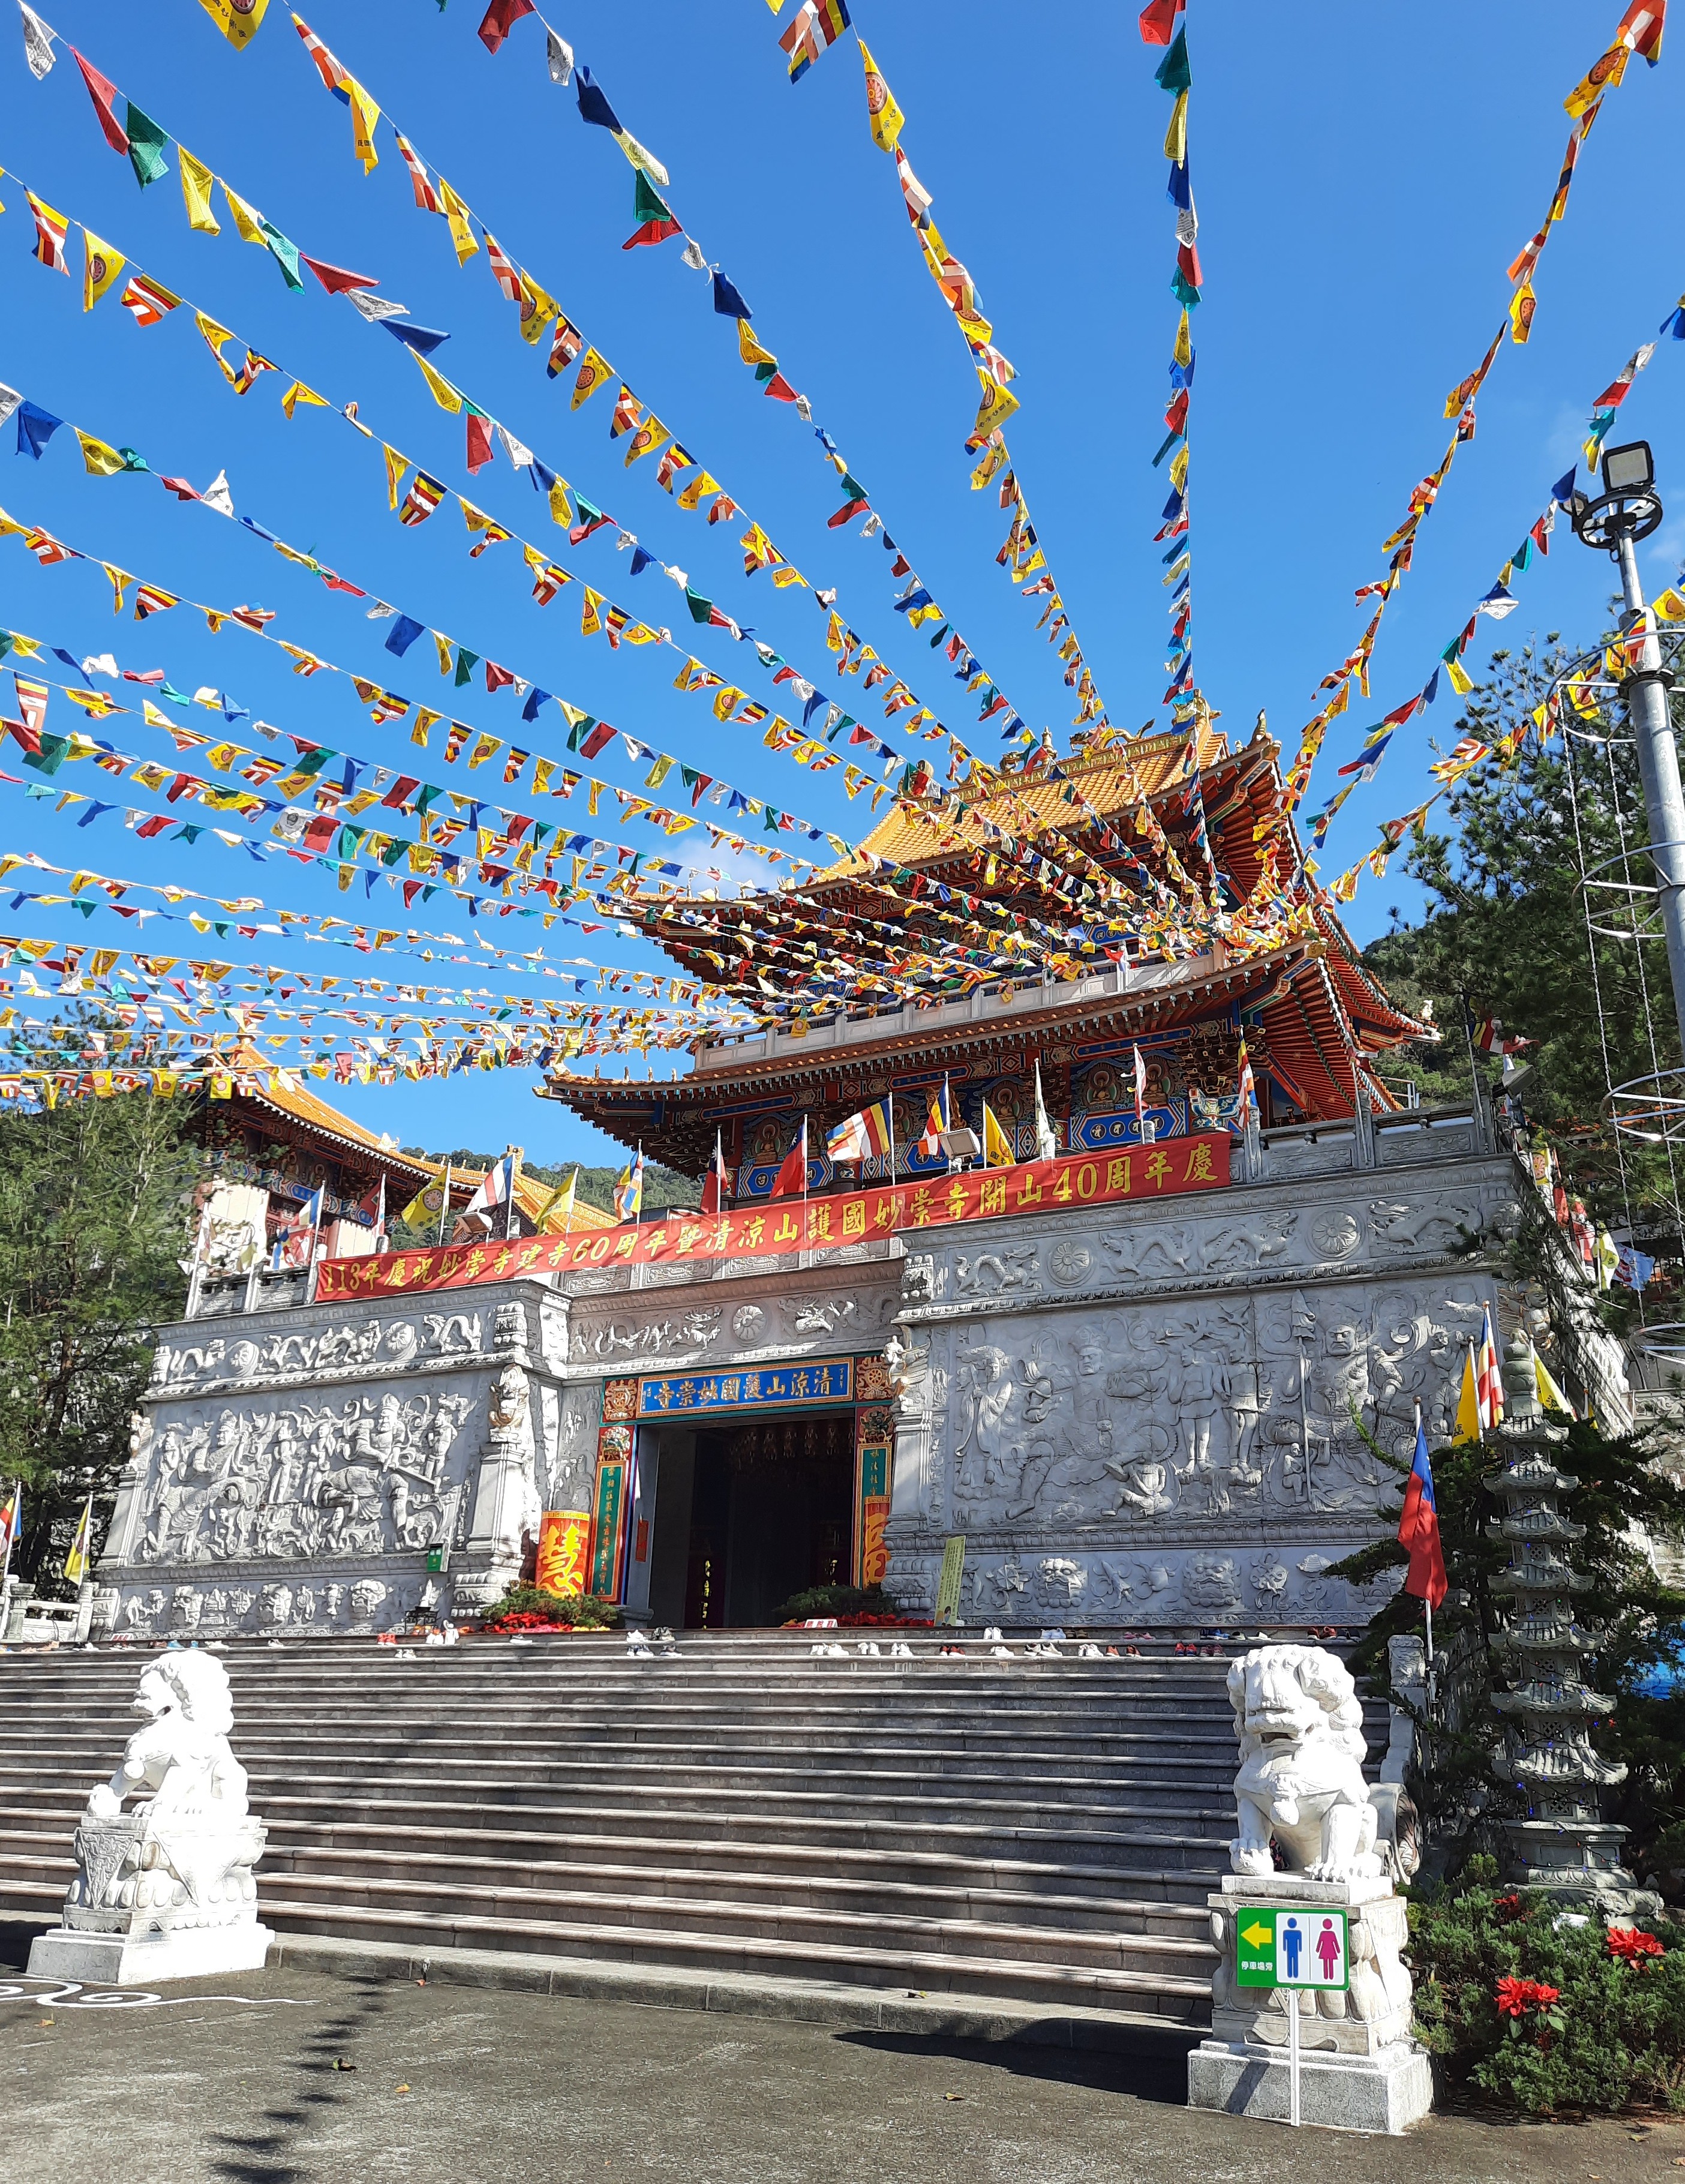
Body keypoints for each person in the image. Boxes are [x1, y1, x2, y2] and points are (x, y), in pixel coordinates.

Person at [1316, 1916, 1343, 1982]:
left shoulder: (1324, 1933)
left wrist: (1318, 1950)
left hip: (1325, 1950)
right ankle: (1330, 1976)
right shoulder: (1331, 1933)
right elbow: (1335, 1943)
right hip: (1330, 1951)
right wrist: (1338, 1950)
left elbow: (1320, 1943)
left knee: (1326, 1963)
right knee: (1330, 1962)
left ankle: (1327, 1976)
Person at [1281, 1916, 1302, 1980]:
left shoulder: (1286, 1932)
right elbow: (1300, 1942)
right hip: (1294, 1949)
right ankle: (1294, 1974)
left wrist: (1285, 1948)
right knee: (1294, 1960)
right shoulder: (1297, 1932)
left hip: (1290, 1949)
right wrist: (1300, 1949)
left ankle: (1291, 1974)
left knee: (1290, 1960)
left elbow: (1285, 1942)